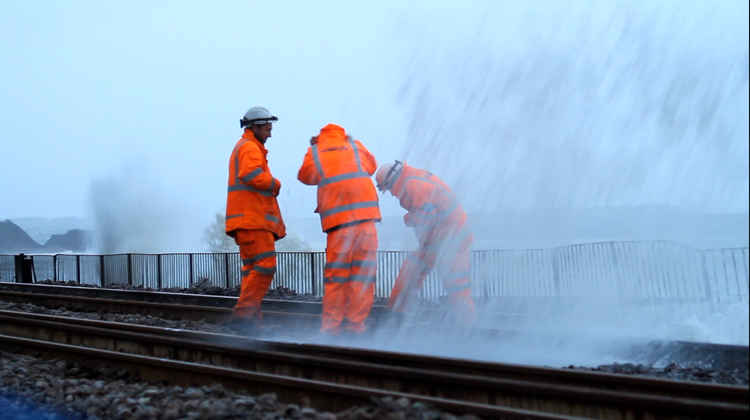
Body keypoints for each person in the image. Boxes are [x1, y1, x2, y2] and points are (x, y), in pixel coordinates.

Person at [297, 123, 381, 335]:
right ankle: (355, 326)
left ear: (319, 137)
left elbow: (305, 176)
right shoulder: (355, 146)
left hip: (339, 225)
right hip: (366, 222)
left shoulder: (315, 151)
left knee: (337, 277)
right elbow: (372, 166)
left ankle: (332, 328)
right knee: (362, 276)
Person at [375, 160, 476, 326]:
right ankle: (398, 316)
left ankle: (468, 328)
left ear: (392, 181)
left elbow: (426, 217)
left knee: (456, 285)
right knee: (410, 272)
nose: (392, 194)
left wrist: (408, 218)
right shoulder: (412, 180)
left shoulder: (413, 185)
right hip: (437, 240)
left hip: (453, 239)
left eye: (389, 188)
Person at [225, 106, 286, 327]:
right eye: (268, 127)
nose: (270, 132)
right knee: (266, 265)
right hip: (253, 220)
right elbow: (250, 174)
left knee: (253, 270)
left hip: (246, 221)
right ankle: (243, 316)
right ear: (256, 126)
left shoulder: (246, 146)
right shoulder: (250, 147)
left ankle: (252, 320)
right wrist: (275, 184)